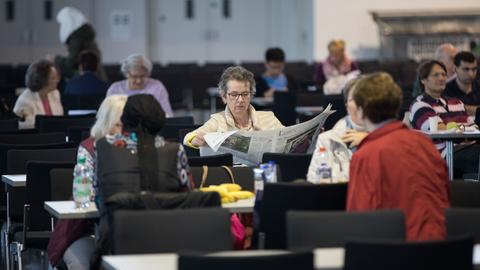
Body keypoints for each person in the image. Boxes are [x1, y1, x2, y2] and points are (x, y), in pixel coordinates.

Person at [347, 72, 450, 241]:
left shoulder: (366, 154)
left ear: (360, 111)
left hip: (398, 251)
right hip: (442, 247)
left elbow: (359, 219)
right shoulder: (425, 144)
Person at [47, 95, 127, 270]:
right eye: (118, 125)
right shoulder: (89, 148)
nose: (122, 132)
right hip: (86, 229)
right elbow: (84, 194)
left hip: (128, 230)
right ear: (106, 122)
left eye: (127, 126)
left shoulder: (135, 146)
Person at [183, 66, 284, 149]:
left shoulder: (269, 118)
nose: (240, 100)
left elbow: (287, 138)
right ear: (224, 97)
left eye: (245, 94)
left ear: (251, 95)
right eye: (234, 94)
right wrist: (195, 139)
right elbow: (188, 137)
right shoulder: (218, 121)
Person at [306, 77, 368, 183]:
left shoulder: (387, 138)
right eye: (354, 99)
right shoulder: (326, 139)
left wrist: (370, 140)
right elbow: (315, 182)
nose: (360, 105)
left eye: (365, 99)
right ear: (346, 105)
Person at [410, 60, 474, 133]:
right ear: (423, 80)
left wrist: (455, 128)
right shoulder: (419, 105)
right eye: (436, 75)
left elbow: (474, 126)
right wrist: (463, 127)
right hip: (441, 144)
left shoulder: (457, 102)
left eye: (443, 75)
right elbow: (440, 130)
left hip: (470, 143)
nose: (441, 78)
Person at [106, 54, 174, 117]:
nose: (139, 81)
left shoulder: (157, 87)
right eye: (134, 76)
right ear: (127, 74)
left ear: (148, 73)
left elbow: (167, 115)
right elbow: (107, 116)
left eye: (142, 76)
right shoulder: (115, 89)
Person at [55, 6, 106, 81]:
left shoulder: (76, 38)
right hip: (98, 78)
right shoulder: (86, 36)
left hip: (85, 81)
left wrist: (56, 60)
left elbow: (70, 64)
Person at [13, 60, 64, 129]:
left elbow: (61, 121)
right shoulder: (24, 101)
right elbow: (28, 127)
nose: (57, 80)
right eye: (53, 78)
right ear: (43, 80)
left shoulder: (55, 94)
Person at [445, 51, 480, 116]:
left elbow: (452, 109)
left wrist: (459, 107)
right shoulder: (445, 90)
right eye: (466, 69)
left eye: (474, 69)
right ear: (455, 69)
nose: (471, 74)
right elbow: (446, 110)